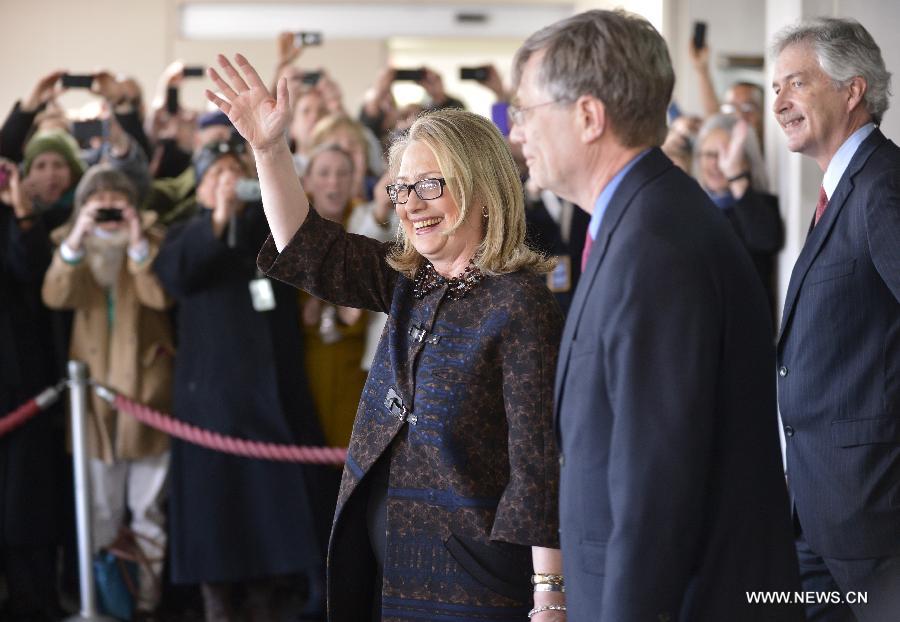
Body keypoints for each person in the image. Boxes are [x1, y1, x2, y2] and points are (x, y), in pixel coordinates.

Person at [206, 54, 565, 621]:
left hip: (473, 588)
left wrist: (550, 592)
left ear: (481, 186)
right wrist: (269, 150)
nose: (412, 204)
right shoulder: (411, 282)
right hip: (390, 572)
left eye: (430, 184)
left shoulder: (518, 303)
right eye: (401, 188)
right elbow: (306, 245)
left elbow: (538, 462)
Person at [509, 10, 802, 620]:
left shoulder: (657, 244)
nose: (517, 135)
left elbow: (655, 493)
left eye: (526, 112)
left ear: (589, 117)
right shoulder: (641, 219)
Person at [153, 139, 323, 621]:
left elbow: (304, 262)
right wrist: (217, 220)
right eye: (217, 175)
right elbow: (177, 275)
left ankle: (278, 587)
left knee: (272, 498)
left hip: (270, 392)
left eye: (237, 173)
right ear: (201, 189)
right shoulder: (186, 233)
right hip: (212, 398)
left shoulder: (269, 230)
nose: (229, 182)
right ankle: (217, 597)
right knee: (216, 501)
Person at [771, 17, 900, 621]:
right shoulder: (840, 188)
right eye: (775, 89)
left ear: (853, 90)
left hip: (873, 512)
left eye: (795, 84)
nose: (780, 103)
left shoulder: (883, 185)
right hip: (819, 504)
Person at [41, 164, 174, 617]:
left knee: (148, 511)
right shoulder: (70, 246)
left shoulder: (152, 242)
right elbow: (56, 295)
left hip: (147, 394)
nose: (111, 212)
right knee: (98, 512)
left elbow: (159, 296)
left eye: (119, 203)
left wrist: (136, 239)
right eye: (100, 205)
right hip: (93, 401)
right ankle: (108, 605)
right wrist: (79, 233)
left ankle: (148, 604)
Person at [0, 158, 66, 622]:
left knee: (26, 510)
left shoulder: (28, 220)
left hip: (23, 386)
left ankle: (36, 602)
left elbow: (34, 270)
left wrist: (21, 209)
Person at [695, 113, 784, 315]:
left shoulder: (759, 205)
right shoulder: (689, 207)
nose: (716, 164)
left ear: (747, 160)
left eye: (726, 155)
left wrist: (735, 176)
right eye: (709, 154)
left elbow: (766, 240)